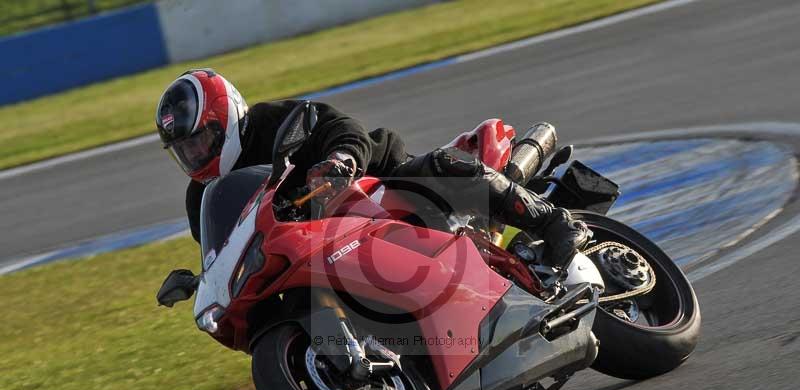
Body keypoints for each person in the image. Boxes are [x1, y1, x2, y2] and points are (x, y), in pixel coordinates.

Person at [155, 68, 589, 268]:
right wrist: (201, 280)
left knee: (441, 165)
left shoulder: (273, 121)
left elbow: (343, 128)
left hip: (377, 184)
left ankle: (554, 220)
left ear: (224, 119)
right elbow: (227, 251)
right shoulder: (204, 198)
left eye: (198, 141)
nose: (195, 156)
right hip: (322, 244)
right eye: (185, 151)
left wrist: (339, 161)